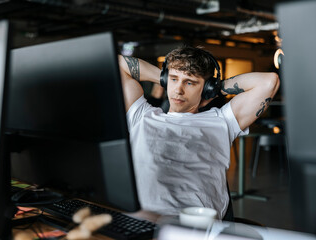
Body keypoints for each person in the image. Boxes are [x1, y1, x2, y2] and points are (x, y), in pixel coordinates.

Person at [118, 46, 280, 219]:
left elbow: (269, 81)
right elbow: (118, 63)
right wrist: (164, 77)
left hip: (194, 224)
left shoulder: (223, 120)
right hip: (142, 221)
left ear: (205, 87)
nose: (178, 90)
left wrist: (214, 88)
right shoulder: (141, 115)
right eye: (174, 80)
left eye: (189, 82)